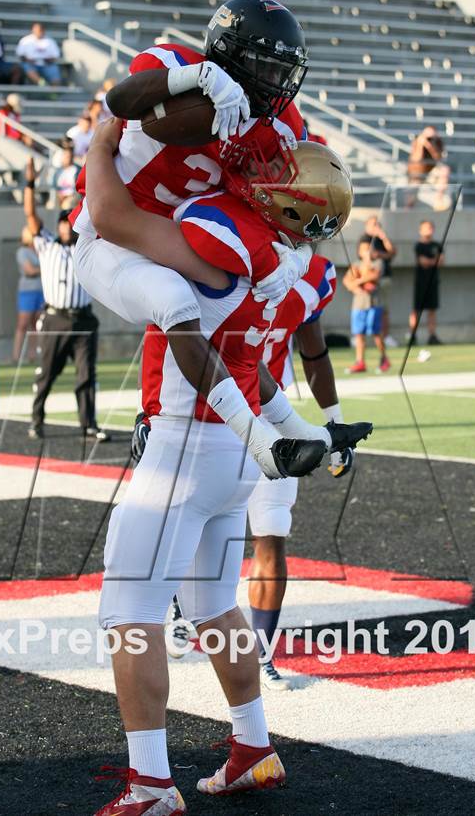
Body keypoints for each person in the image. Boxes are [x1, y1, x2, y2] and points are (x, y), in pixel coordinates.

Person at [90, 135, 371, 816]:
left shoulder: (223, 232)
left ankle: (151, 784)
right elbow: (259, 361)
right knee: (215, 604)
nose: (258, 167)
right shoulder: (300, 267)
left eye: (277, 168)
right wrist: (295, 426)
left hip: (188, 443)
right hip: (234, 455)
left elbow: (109, 216)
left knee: (130, 614)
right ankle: (253, 748)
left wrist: (103, 140)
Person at [73, 0, 318, 480]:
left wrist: (297, 254)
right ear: (233, 55)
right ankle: (254, 438)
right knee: (173, 301)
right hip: (112, 239)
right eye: (266, 68)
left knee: (236, 304)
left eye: (282, 72)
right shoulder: (175, 66)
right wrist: (197, 79)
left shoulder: (277, 125)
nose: (275, 84)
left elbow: (304, 205)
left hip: (178, 232)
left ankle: (293, 425)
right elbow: (119, 103)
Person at [164, 253, 354, 692]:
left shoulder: (315, 271)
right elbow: (175, 330)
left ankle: (261, 654)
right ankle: (179, 606)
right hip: (208, 411)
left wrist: (333, 422)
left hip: (271, 411)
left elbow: (315, 351)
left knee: (271, 534)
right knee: (190, 523)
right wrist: (151, 409)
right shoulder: (225, 243)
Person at [22, 157, 107, 441]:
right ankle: (36, 420)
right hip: (56, 318)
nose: (65, 227)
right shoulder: (47, 247)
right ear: (57, 226)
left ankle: (88, 424)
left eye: (69, 222)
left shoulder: (87, 246)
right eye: (62, 222)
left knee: (86, 374)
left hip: (83, 317)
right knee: (46, 373)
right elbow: (31, 217)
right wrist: (31, 184)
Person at [343, 238, 390, 373]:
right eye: (364, 249)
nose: (366, 252)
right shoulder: (356, 264)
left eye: (369, 249)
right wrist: (355, 286)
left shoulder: (378, 263)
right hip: (359, 304)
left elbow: (372, 276)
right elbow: (347, 281)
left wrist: (357, 281)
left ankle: (384, 358)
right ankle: (360, 362)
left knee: (375, 332)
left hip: (373, 303)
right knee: (359, 334)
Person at [361, 215, 397, 347]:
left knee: (384, 309)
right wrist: (384, 255)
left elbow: (392, 251)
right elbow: (368, 254)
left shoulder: (382, 239)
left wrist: (383, 237)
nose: (376, 227)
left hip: (384, 278)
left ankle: (386, 336)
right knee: (366, 309)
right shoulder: (365, 239)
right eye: (373, 224)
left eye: (378, 224)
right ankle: (361, 338)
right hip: (370, 280)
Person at [409, 219, 445, 345]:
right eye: (425, 228)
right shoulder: (419, 245)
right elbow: (423, 262)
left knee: (432, 310)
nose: (428, 230)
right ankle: (413, 335)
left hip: (433, 281)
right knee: (417, 309)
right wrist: (434, 261)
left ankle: (432, 336)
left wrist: (433, 261)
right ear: (420, 230)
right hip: (421, 282)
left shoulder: (437, 245)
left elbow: (441, 261)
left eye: (430, 227)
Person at [13, 226, 43, 362]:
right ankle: (16, 356)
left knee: (36, 324)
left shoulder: (40, 250)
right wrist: (45, 269)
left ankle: (33, 355)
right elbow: (29, 270)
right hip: (27, 291)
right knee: (23, 323)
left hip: (41, 289)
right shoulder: (22, 252)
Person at [407, 125, 451, 210]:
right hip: (418, 172)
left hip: (431, 171)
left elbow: (438, 158)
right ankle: (408, 207)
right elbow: (416, 160)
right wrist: (421, 145)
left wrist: (429, 145)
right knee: (412, 189)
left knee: (444, 170)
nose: (429, 139)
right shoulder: (417, 142)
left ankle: (438, 200)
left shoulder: (437, 143)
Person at [53, 141, 80, 211]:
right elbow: (54, 185)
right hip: (59, 196)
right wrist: (59, 194)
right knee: (51, 204)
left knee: (67, 205)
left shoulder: (77, 170)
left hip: (72, 196)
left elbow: (78, 188)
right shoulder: (58, 171)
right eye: (65, 156)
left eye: (69, 156)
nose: (67, 158)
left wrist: (69, 196)